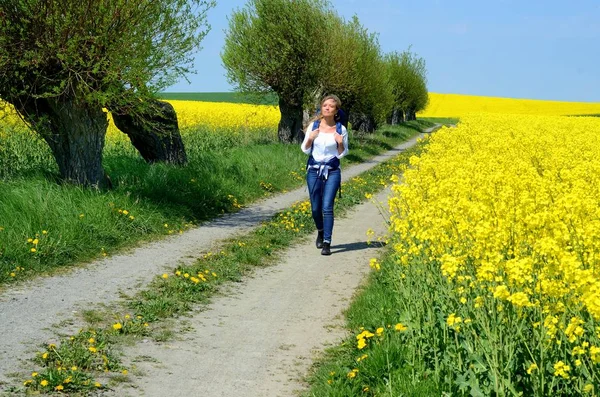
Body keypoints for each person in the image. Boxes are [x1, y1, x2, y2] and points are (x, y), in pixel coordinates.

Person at [300, 95, 349, 255]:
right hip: (313, 170)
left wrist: (340, 143)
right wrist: (310, 139)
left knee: (327, 207)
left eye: (331, 106)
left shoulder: (341, 130)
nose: (327, 108)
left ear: (336, 111)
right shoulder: (313, 127)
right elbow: (305, 149)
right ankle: (320, 231)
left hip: (332, 171)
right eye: (325, 105)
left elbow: (342, 154)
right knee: (315, 208)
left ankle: (327, 242)